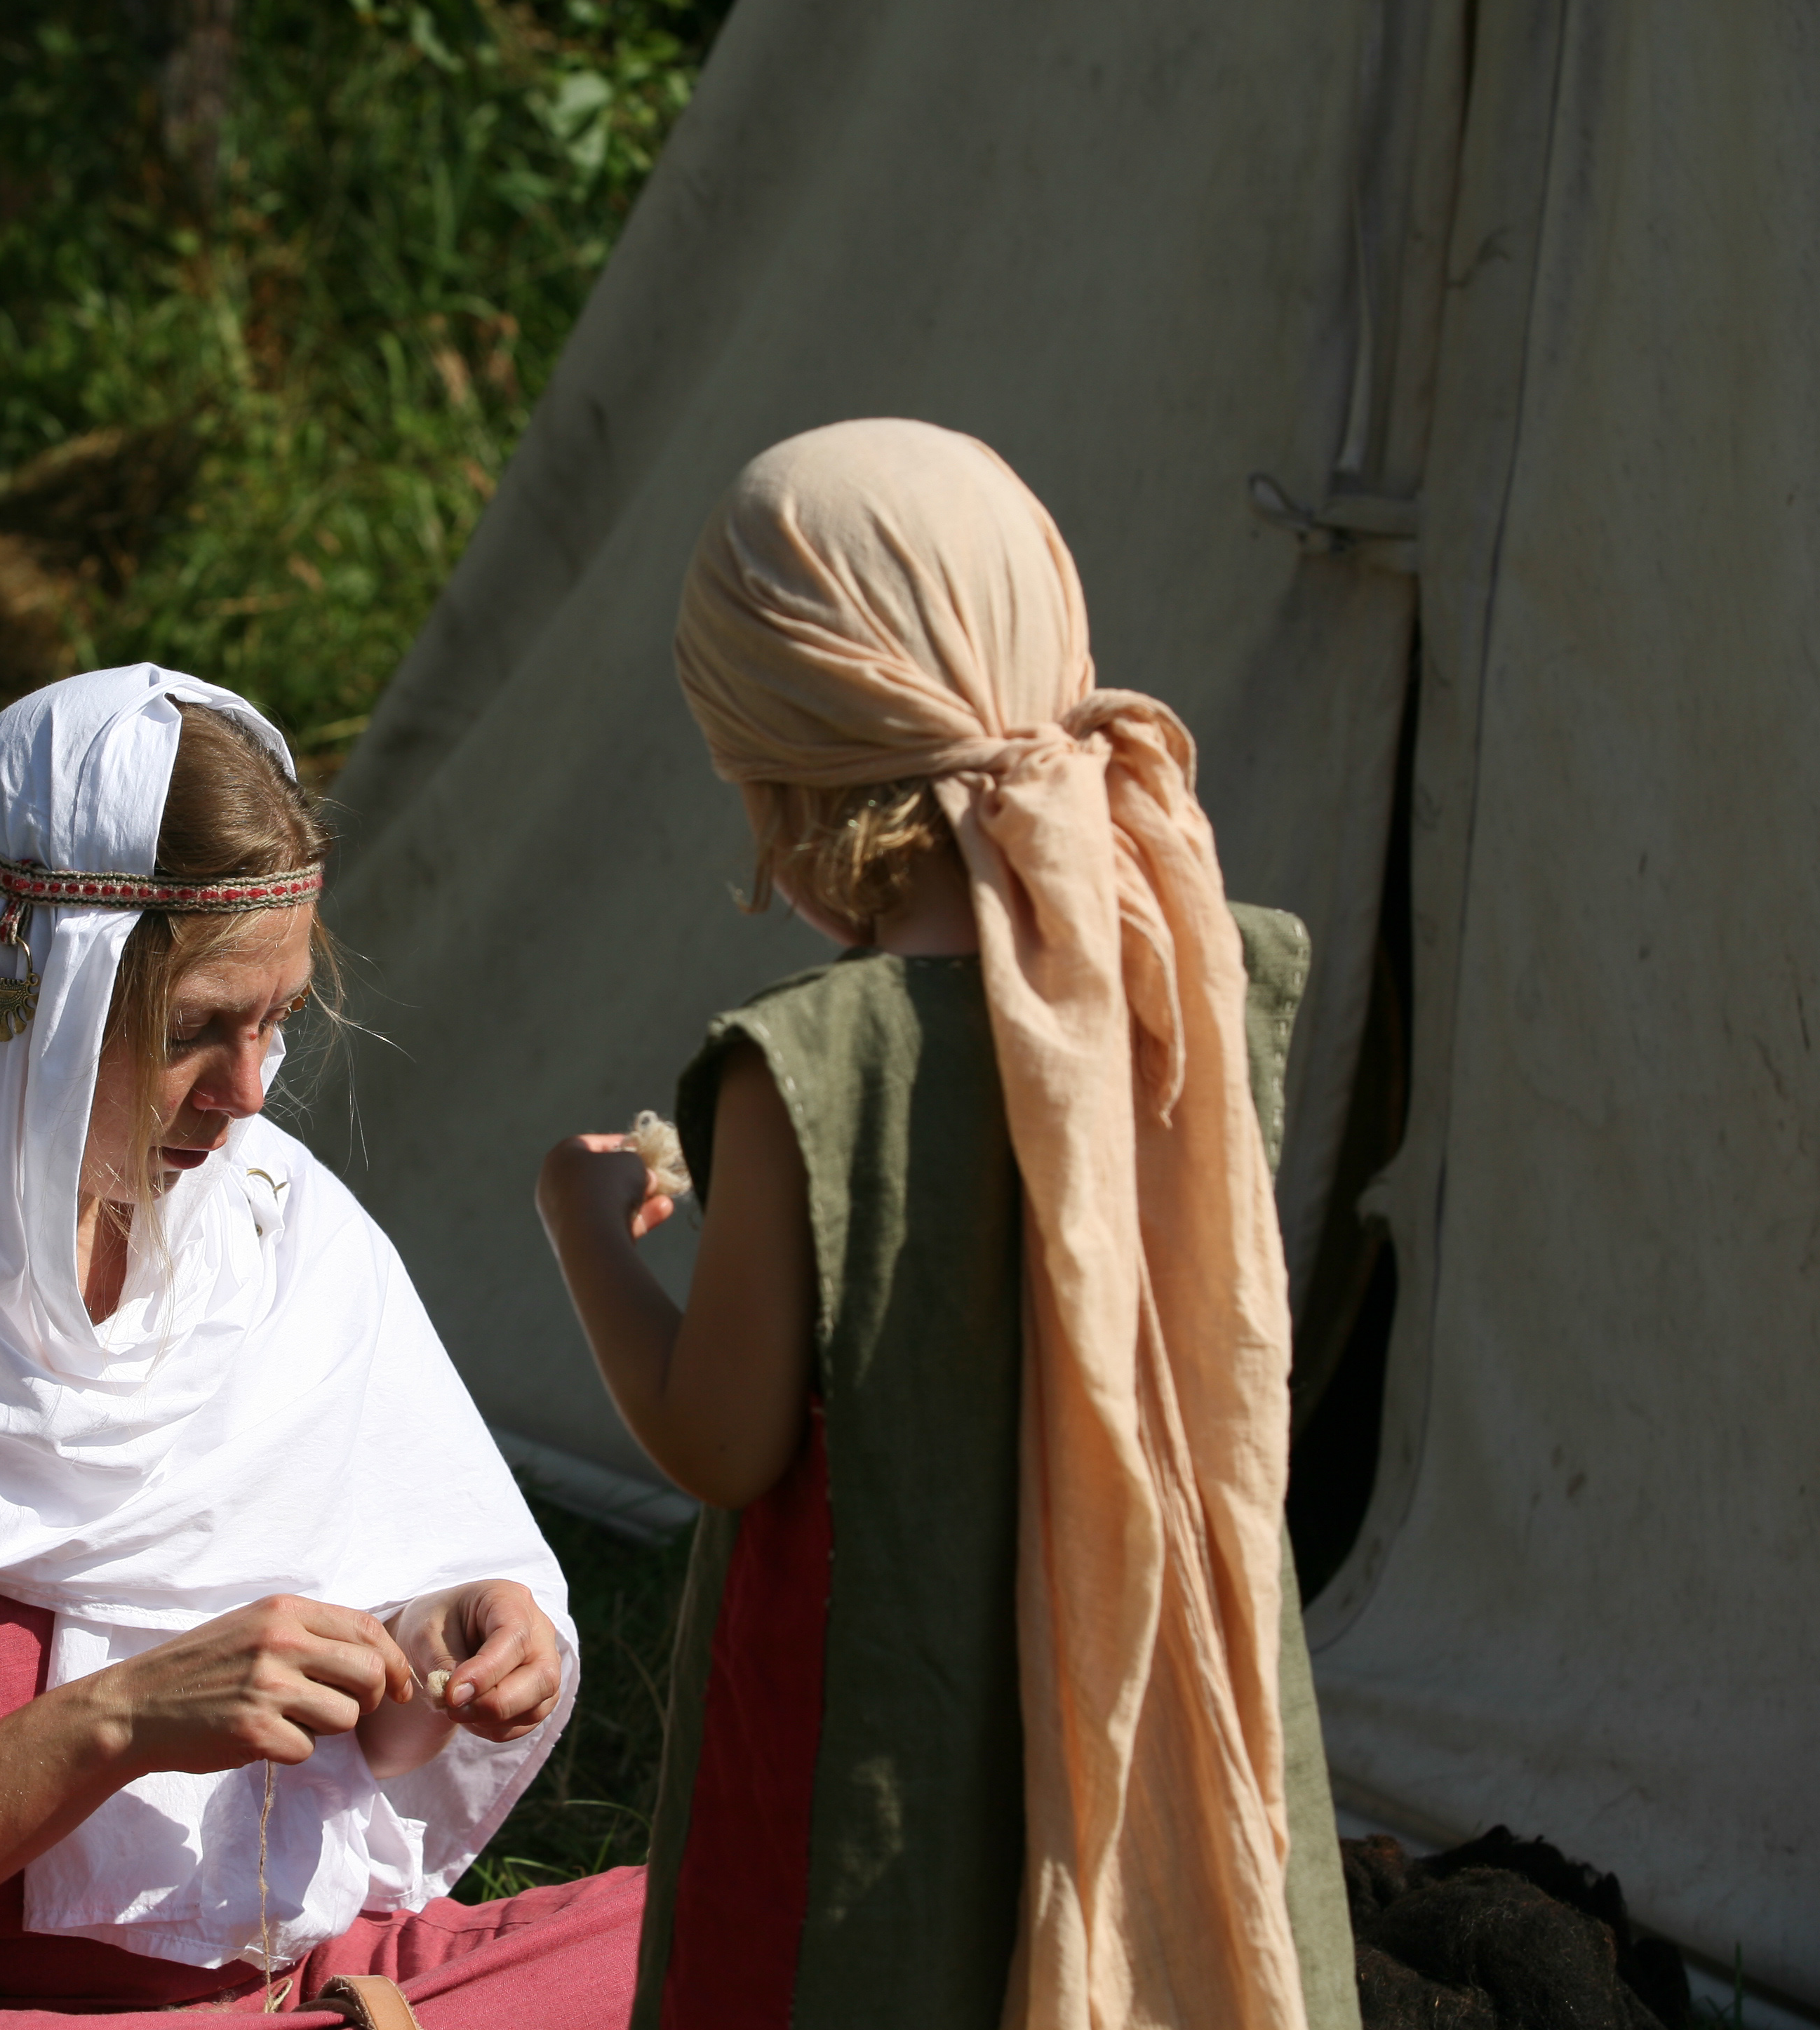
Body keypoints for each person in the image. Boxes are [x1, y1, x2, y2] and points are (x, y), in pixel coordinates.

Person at [0, 665, 643, 2029]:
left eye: (277, 1019)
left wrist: (428, 1642)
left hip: (328, 1985)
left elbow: (370, 1709)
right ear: (13, 1004)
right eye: (193, 1028)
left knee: (771, 1927)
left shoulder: (284, 1241)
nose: (250, 1091)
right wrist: (118, 1720)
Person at [534, 422, 1363, 2030]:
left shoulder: (811, 1061)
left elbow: (720, 1438)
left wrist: (583, 1227)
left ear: (772, 768)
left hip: (881, 1737)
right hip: (1155, 1668)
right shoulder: (1183, 971)